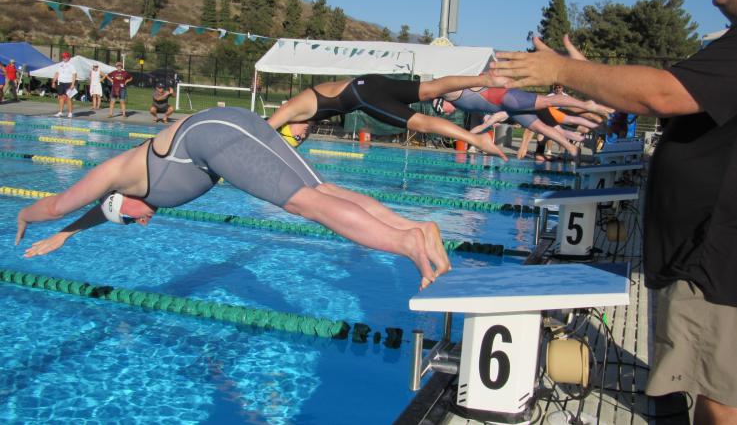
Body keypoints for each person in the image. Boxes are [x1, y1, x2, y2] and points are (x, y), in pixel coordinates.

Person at [489, 0, 737, 425]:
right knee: (705, 385)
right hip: (698, 253)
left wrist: (561, 70)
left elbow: (661, 93)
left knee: (718, 396)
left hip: (714, 259)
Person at [15, 106, 451, 290]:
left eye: (129, 219)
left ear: (119, 198)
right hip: (231, 127)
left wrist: (27, 215)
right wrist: (68, 235)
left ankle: (405, 245)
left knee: (304, 203)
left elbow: (56, 204)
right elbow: (104, 212)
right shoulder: (130, 196)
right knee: (324, 192)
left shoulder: (119, 173)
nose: (141, 222)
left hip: (214, 133)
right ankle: (414, 229)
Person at [267, 73, 509, 159]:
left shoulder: (290, 110)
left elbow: (262, 129)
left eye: (296, 139)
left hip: (363, 95)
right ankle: (485, 80)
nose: (303, 137)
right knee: (430, 88)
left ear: (287, 127)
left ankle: (477, 140)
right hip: (368, 82)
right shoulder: (304, 112)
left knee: (422, 124)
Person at [438, 86, 612, 158]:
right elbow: (485, 124)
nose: (445, 113)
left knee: (549, 103)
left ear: (442, 101)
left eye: (441, 109)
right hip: (508, 109)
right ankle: (570, 147)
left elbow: (476, 83)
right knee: (541, 128)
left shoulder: (452, 93)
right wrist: (468, 137)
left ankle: (586, 104)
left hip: (506, 97)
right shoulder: (459, 104)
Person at [51, 52, 77, 118]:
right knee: (61, 98)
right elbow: (57, 73)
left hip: (68, 83)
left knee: (68, 98)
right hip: (61, 82)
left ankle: (70, 113)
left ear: (68, 57)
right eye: (63, 57)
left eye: (65, 57)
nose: (64, 58)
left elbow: (74, 75)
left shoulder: (71, 65)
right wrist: (54, 82)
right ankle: (60, 112)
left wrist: (73, 84)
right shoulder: (60, 65)